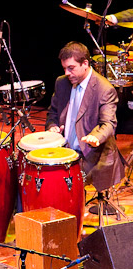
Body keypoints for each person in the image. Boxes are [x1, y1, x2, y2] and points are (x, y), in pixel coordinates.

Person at [46, 41, 125, 192]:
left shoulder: (104, 89)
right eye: (64, 69)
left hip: (91, 154)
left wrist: (96, 137)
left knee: (64, 189)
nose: (67, 73)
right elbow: (53, 113)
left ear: (85, 63)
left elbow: (108, 123)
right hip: (65, 151)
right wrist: (52, 126)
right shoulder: (61, 82)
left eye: (71, 68)